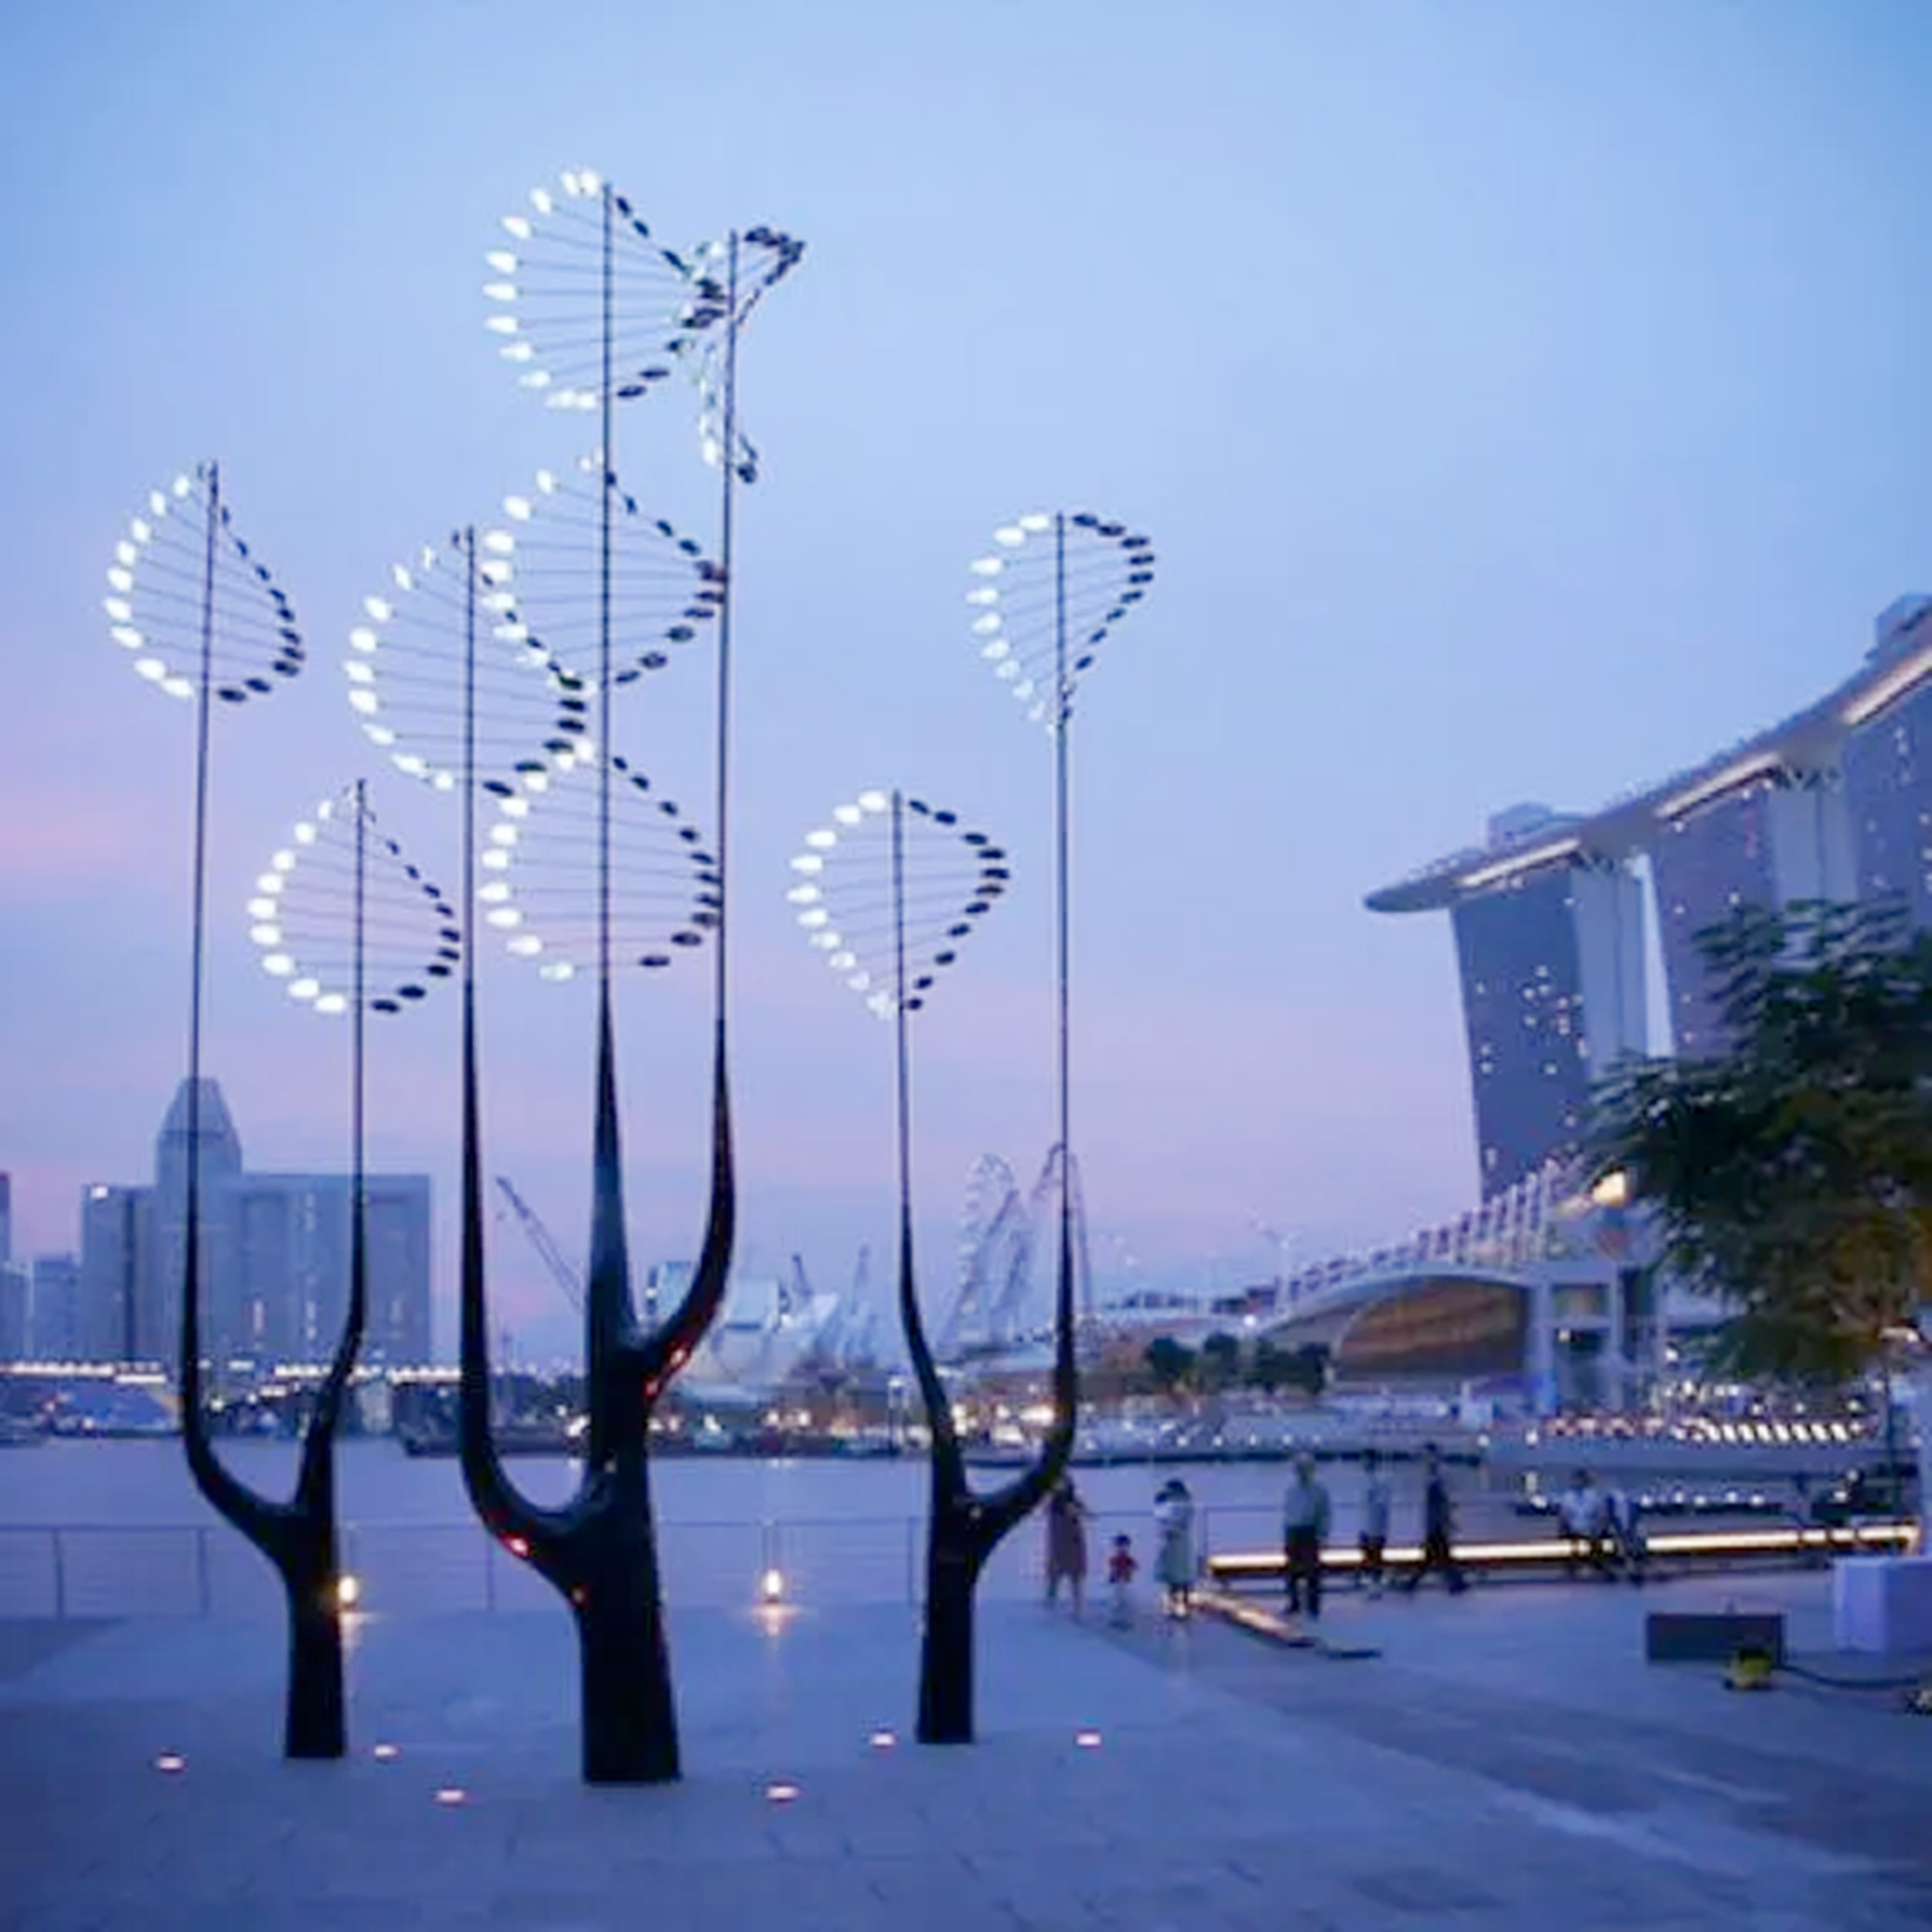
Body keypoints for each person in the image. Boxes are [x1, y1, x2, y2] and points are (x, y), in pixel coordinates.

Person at [1400, 1444, 1467, 1594]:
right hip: (1435, 1523)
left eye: (1429, 1455)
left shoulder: (1439, 1476)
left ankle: (1412, 1583)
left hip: (1437, 1524)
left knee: (1436, 1555)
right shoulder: (1432, 1475)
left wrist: (1446, 1521)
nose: (1427, 1459)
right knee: (1437, 1556)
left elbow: (1444, 1501)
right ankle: (1456, 1582)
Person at [1281, 1452, 1332, 1620]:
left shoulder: (1319, 1490)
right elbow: (1288, 1513)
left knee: (1312, 1572)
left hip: (1310, 1532)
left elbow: (1325, 1514)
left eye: (1305, 1468)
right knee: (1291, 1571)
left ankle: (1313, 1605)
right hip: (1293, 1532)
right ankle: (1294, 1603)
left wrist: (1323, 1535)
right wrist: (1286, 1535)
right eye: (1299, 1468)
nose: (1301, 1471)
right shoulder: (1291, 1489)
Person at [1043, 1477, 1089, 1615]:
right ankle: (1050, 1605)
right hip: (1058, 1543)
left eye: (1063, 1484)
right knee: (1054, 1576)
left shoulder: (1074, 1502)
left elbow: (1087, 1514)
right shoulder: (1053, 1504)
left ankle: (1077, 1607)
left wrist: (1078, 1511)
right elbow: (1047, 1512)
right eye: (1058, 1484)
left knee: (1075, 1577)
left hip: (1073, 1542)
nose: (1061, 1486)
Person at [1153, 1478, 1196, 1617]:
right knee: (1177, 1578)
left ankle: (1178, 1606)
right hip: (1174, 1544)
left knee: (1176, 1578)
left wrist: (1158, 1503)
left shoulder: (1179, 1505)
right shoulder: (1185, 1504)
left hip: (1175, 1543)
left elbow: (1164, 1517)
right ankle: (1179, 1606)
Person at [1556, 1468, 1609, 1578]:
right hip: (1576, 1530)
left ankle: (1595, 1562)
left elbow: (1601, 1515)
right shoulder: (1569, 1497)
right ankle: (1579, 1563)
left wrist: (1598, 1528)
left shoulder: (1593, 1496)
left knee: (1596, 1536)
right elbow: (1564, 1516)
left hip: (1589, 1530)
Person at [1359, 1449, 1392, 1599]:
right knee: (1369, 1557)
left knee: (1375, 1559)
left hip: (1377, 1527)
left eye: (1367, 1460)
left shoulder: (1381, 1480)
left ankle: (1376, 1586)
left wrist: (1380, 1529)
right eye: (1364, 1460)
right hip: (1366, 1526)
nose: (1364, 1463)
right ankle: (1373, 1584)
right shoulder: (1365, 1480)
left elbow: (1383, 1503)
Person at [1106, 1532, 1138, 1628]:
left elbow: (1133, 1567)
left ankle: (1125, 1619)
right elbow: (1113, 1569)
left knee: (1126, 1599)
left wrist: (1130, 1573)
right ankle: (1117, 1619)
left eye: (1124, 1546)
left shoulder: (1128, 1559)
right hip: (1117, 1581)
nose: (1122, 1548)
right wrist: (1112, 1577)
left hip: (1126, 1581)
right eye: (1120, 1546)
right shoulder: (1114, 1559)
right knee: (1117, 1599)